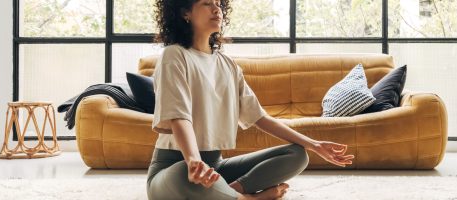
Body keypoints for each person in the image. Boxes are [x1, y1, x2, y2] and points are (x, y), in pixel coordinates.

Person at [147, 0, 355, 199]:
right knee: (186, 175)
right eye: (207, 3)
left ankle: (228, 192)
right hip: (173, 169)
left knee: (298, 155)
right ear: (185, 13)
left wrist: (314, 144)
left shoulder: (227, 65)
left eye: (219, 4)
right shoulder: (174, 55)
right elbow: (179, 117)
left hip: (214, 168)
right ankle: (247, 199)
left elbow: (259, 117)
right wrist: (193, 161)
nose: (216, 10)